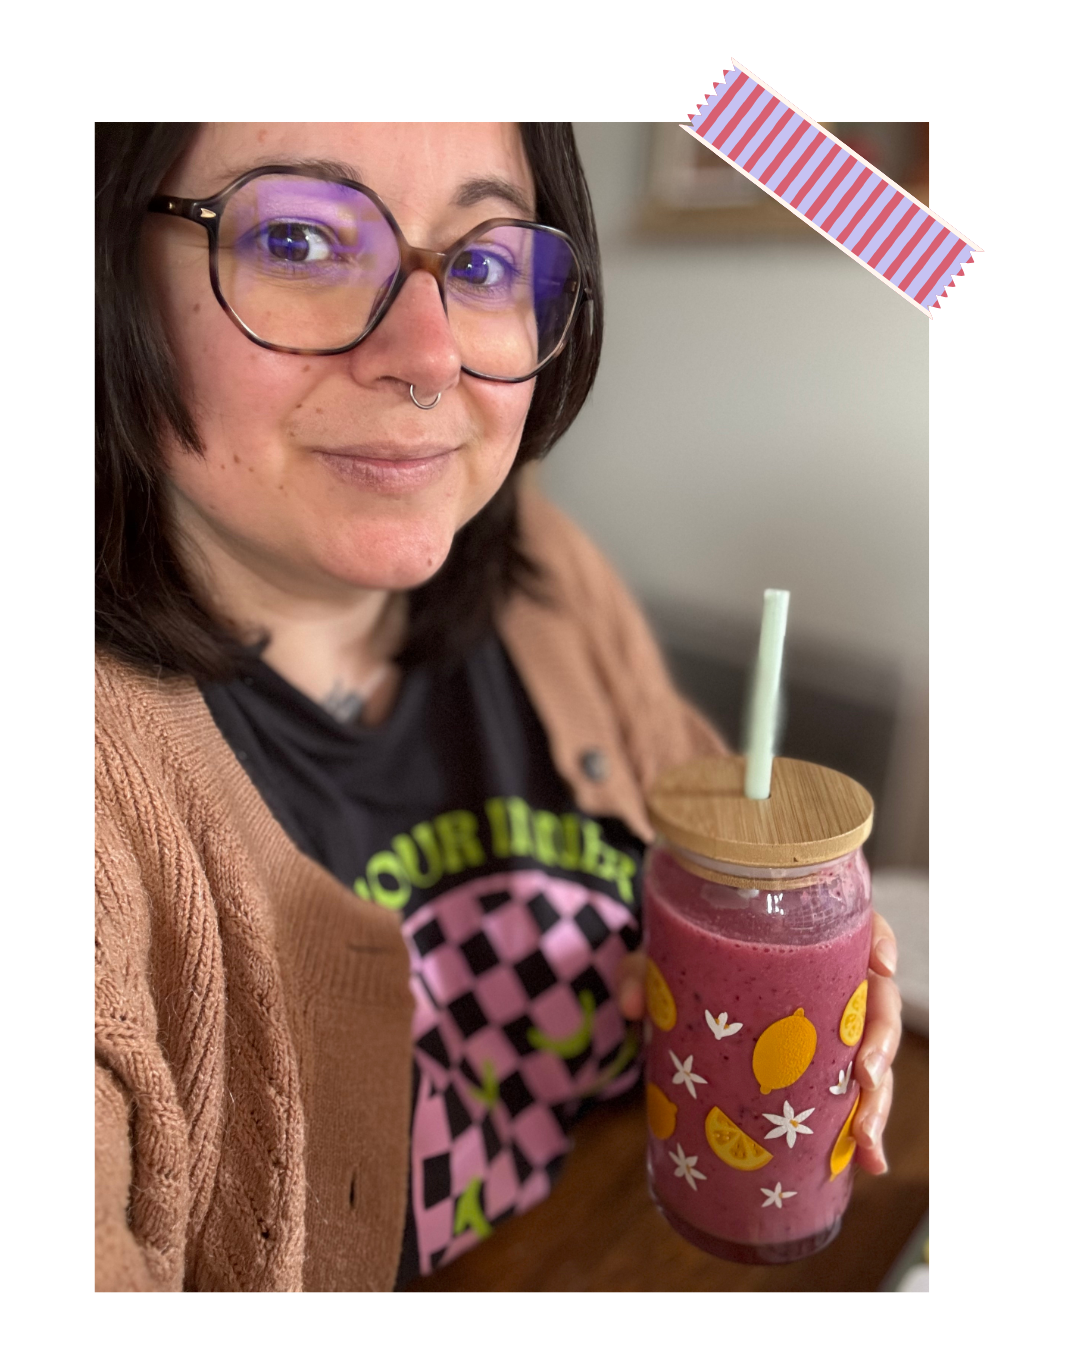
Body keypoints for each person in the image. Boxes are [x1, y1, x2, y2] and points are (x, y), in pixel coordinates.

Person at [94, 122, 902, 1294]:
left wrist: (789, 957)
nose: (431, 358)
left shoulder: (542, 573)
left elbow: (715, 843)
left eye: (481, 262)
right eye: (301, 240)